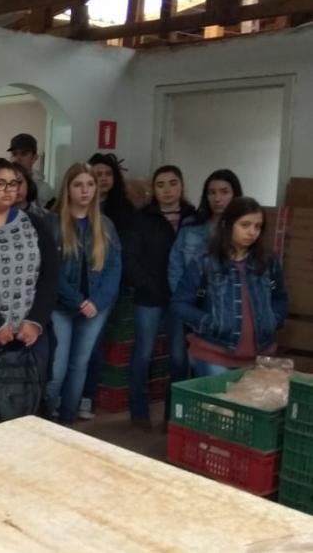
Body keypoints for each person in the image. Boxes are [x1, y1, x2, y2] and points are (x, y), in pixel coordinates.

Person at [0, 158, 58, 430]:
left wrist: (35, 321)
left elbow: (50, 276)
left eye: (14, 184)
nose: (9, 190)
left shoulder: (35, 224)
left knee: (29, 404)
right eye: (0, 183)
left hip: (31, 333)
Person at [171, 197, 287, 376]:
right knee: (220, 404)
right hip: (213, 354)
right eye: (245, 225)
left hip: (259, 357)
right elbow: (179, 304)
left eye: (257, 226)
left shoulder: (268, 262)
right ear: (227, 224)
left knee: (251, 404)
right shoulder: (205, 263)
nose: (252, 232)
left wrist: (272, 320)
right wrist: (209, 323)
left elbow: (280, 297)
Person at [46, 163, 121, 425]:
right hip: (62, 306)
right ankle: (44, 420)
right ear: (68, 189)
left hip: (95, 308)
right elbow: (51, 272)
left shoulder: (106, 226)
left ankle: (66, 420)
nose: (85, 190)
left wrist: (96, 303)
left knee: (80, 366)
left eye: (90, 184)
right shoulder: (53, 223)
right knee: (57, 369)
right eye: (78, 184)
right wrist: (78, 302)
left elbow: (114, 270)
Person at [122, 165, 195, 429]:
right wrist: (147, 285)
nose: (167, 190)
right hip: (149, 296)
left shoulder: (193, 218)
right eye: (161, 184)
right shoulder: (143, 218)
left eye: (173, 183)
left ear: (182, 186)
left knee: (178, 358)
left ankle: (172, 415)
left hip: (182, 299)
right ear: (154, 189)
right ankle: (139, 412)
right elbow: (131, 257)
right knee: (143, 353)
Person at [76, 152, 136, 420]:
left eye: (106, 174)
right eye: (95, 175)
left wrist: (99, 299)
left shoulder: (121, 213)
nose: (100, 180)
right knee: (70, 353)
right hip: (74, 294)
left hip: (103, 293)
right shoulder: (67, 212)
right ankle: (68, 401)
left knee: (91, 349)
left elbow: (117, 262)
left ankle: (86, 397)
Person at [169, 169, 244, 294]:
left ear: (235, 195)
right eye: (212, 193)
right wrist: (181, 298)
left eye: (224, 192)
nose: (217, 198)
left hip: (229, 301)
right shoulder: (191, 227)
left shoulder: (245, 229)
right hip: (191, 298)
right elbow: (175, 266)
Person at [8, 133, 55, 208]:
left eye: (23, 154)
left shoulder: (44, 190)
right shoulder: (4, 184)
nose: (17, 158)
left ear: (34, 157)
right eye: (14, 154)